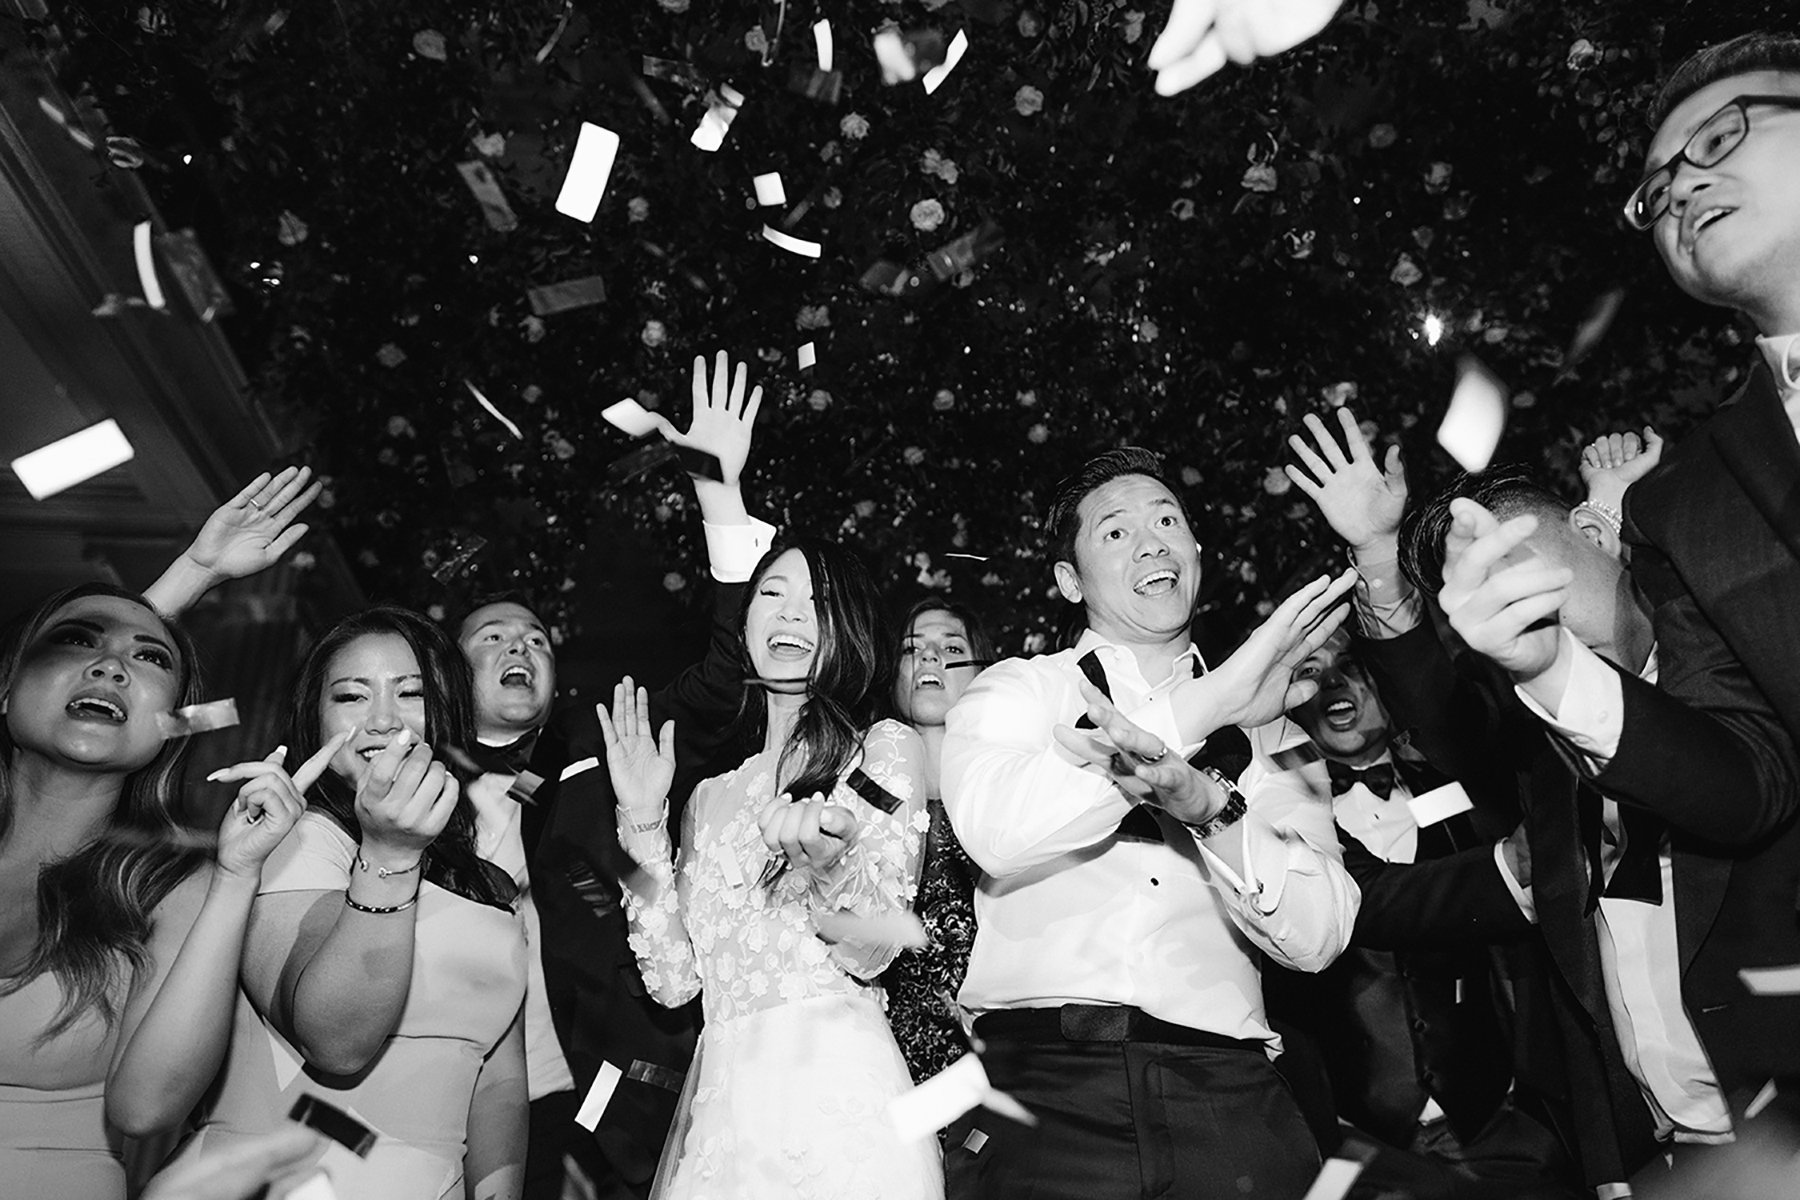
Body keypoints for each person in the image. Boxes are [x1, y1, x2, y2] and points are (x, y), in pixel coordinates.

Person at [938, 446, 1362, 1200]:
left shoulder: (1273, 734)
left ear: (1197, 550)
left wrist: (1210, 807)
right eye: (1115, 532)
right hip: (1041, 1096)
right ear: (1070, 580)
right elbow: (995, 833)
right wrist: (1213, 701)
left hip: (1229, 1098)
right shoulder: (1020, 689)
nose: (1152, 541)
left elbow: (1322, 933)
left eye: (1169, 520)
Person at [601, 540, 940, 1199]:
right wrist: (642, 819)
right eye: (773, 594)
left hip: (839, 1104)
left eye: (816, 602)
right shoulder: (705, 798)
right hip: (723, 1114)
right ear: (745, 621)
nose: (791, 615)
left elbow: (874, 953)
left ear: (848, 627)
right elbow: (672, 984)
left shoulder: (881, 752)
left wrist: (829, 867)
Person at [517, 351, 774, 1200]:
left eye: (532, 638)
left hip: (634, 1107)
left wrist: (717, 494)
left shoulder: (614, 746)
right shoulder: (406, 784)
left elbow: (729, 673)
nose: (517, 647)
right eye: (490, 635)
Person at [177, 606, 528, 1200]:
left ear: (450, 715)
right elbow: (336, 1043)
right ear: (315, 721)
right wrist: (387, 855)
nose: (383, 720)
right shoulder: (288, 840)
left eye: (411, 692)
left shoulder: (490, 882)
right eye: (351, 697)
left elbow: (498, 1080)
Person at [0, 584, 310, 1199]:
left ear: (173, 728)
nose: (112, 665)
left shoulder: (173, 890)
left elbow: (145, 1110)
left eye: (150, 658)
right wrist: (197, 567)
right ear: (5, 688)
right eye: (78, 640)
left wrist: (237, 875)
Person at [1245, 618, 1560, 1200]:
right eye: (1312, 672)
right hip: (1353, 1147)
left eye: (1353, 669)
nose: (1334, 684)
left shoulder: (1463, 781)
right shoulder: (1277, 817)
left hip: (1497, 1122)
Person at [881, 598, 997, 1084]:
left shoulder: (1008, 796)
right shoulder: (856, 795)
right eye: (913, 649)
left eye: (951, 647)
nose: (930, 658)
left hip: (997, 1063)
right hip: (886, 1065)